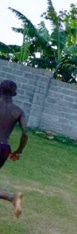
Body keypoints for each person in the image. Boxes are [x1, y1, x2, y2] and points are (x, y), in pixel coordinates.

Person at [0, 79, 27, 218]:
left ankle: (12, 197)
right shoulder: (19, 111)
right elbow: (25, 133)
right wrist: (18, 150)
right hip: (4, 148)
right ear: (15, 94)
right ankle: (12, 198)